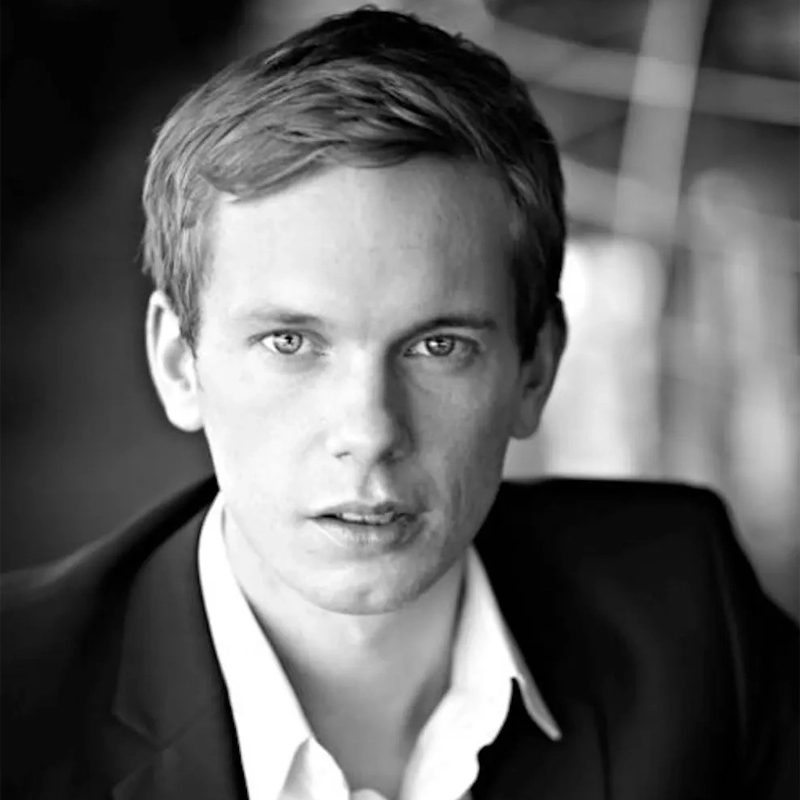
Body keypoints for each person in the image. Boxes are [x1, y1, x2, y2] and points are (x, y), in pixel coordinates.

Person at [1, 7, 797, 800]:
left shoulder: (685, 607)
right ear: (179, 364)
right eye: (290, 343)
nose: (370, 432)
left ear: (536, 369)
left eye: (437, 346)